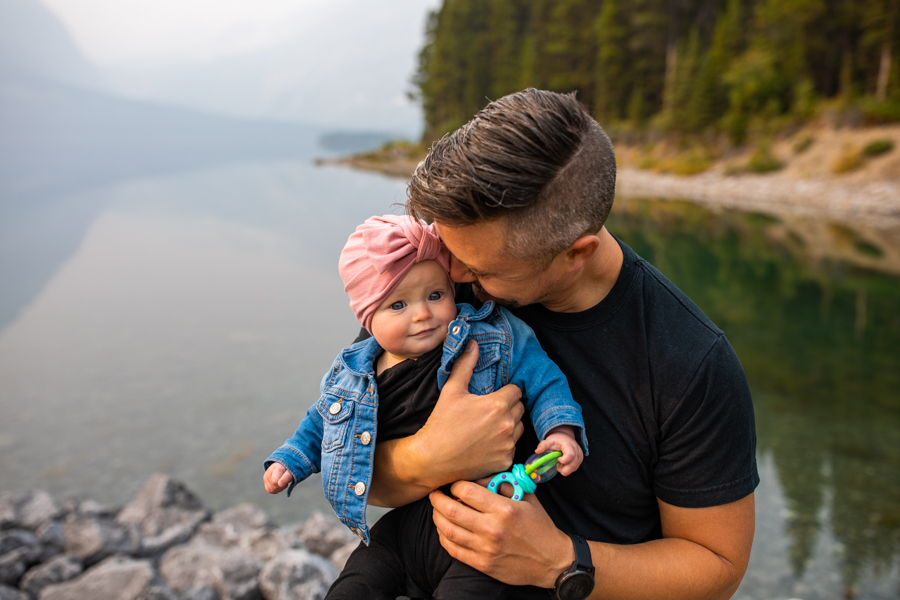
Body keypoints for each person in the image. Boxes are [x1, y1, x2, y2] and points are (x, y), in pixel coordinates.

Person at [366, 89, 760, 600]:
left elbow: (718, 568)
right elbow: (357, 472)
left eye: (480, 270)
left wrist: (559, 561)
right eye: (447, 249)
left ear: (576, 254)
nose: (454, 275)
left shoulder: (689, 363)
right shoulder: (430, 283)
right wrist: (430, 456)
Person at [263, 214, 588, 599]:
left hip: (481, 526)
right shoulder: (351, 375)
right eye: (398, 305)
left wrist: (560, 430)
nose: (422, 314)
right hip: (400, 530)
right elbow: (320, 424)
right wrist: (292, 460)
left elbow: (542, 376)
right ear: (368, 317)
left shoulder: (489, 335)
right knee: (355, 585)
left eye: (435, 295)